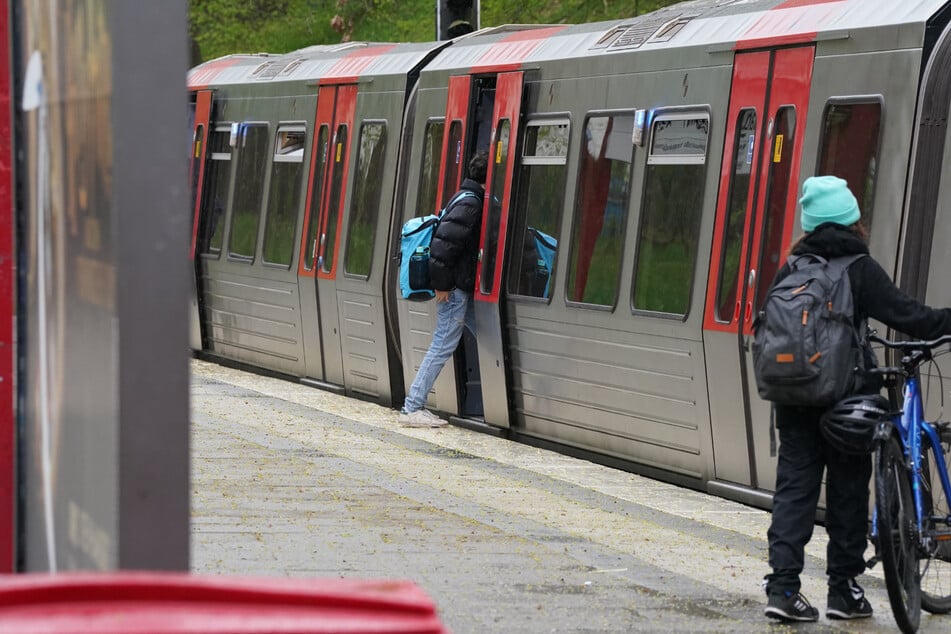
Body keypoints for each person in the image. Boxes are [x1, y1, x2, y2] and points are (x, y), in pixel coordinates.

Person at [763, 175, 951, 622]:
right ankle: (843, 592)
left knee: (794, 492)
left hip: (792, 399)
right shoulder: (858, 267)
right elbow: (910, 317)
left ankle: (783, 590)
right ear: (852, 220)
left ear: (808, 223)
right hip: (845, 401)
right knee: (847, 492)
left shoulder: (791, 268)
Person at [398, 151, 488, 428]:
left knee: (490, 333)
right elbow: (442, 247)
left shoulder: (464, 197)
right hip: (454, 290)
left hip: (458, 288)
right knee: (442, 345)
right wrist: (443, 286)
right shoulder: (471, 204)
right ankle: (413, 407)